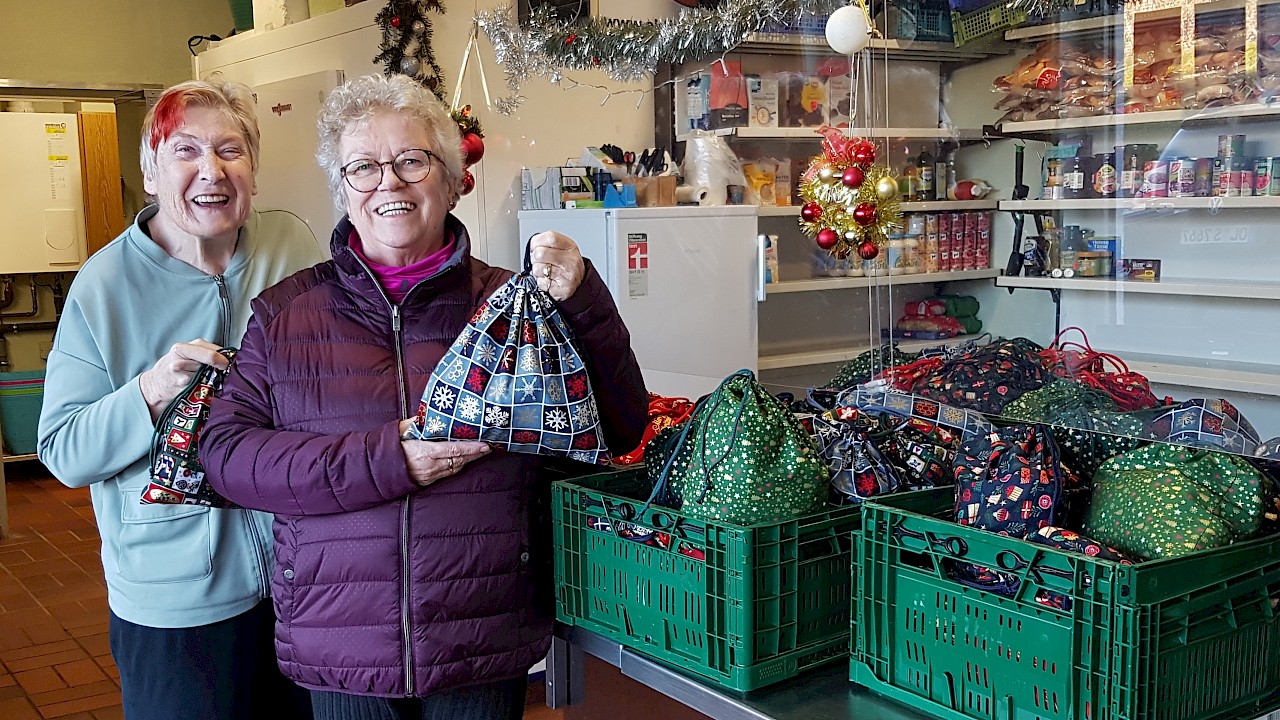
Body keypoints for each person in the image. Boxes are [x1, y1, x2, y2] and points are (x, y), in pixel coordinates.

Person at [198, 72, 648, 720]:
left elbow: (621, 427)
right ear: (343, 187)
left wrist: (582, 301)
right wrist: (389, 459)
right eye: (364, 166)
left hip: (480, 633)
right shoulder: (287, 313)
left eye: (412, 160)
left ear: (451, 177)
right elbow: (226, 454)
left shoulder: (510, 306)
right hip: (342, 642)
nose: (390, 182)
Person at [37, 79, 325, 720]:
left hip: (305, 582)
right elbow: (61, 450)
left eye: (231, 150)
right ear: (150, 172)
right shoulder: (104, 286)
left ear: (253, 168)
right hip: (176, 605)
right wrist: (152, 388)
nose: (211, 171)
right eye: (186, 151)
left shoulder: (293, 248)